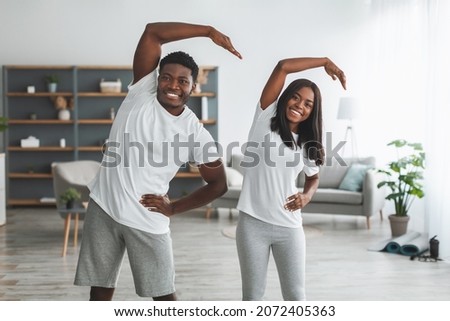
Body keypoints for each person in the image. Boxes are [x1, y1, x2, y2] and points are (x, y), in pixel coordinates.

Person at [74, 22, 242, 301]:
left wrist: (174, 208)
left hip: (146, 218)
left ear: (193, 87)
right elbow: (153, 32)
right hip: (103, 207)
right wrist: (208, 31)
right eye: (166, 77)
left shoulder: (195, 133)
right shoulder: (142, 92)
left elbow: (218, 184)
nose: (173, 84)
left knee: (163, 296)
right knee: (100, 291)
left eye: (182, 80)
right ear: (157, 79)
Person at [235, 57, 346, 301]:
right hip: (252, 224)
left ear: (312, 112)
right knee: (252, 297)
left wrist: (306, 196)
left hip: (290, 226)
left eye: (308, 104)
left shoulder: (308, 144)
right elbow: (282, 66)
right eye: (296, 97)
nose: (299, 105)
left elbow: (313, 178)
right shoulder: (265, 118)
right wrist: (325, 62)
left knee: (296, 296)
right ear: (286, 97)